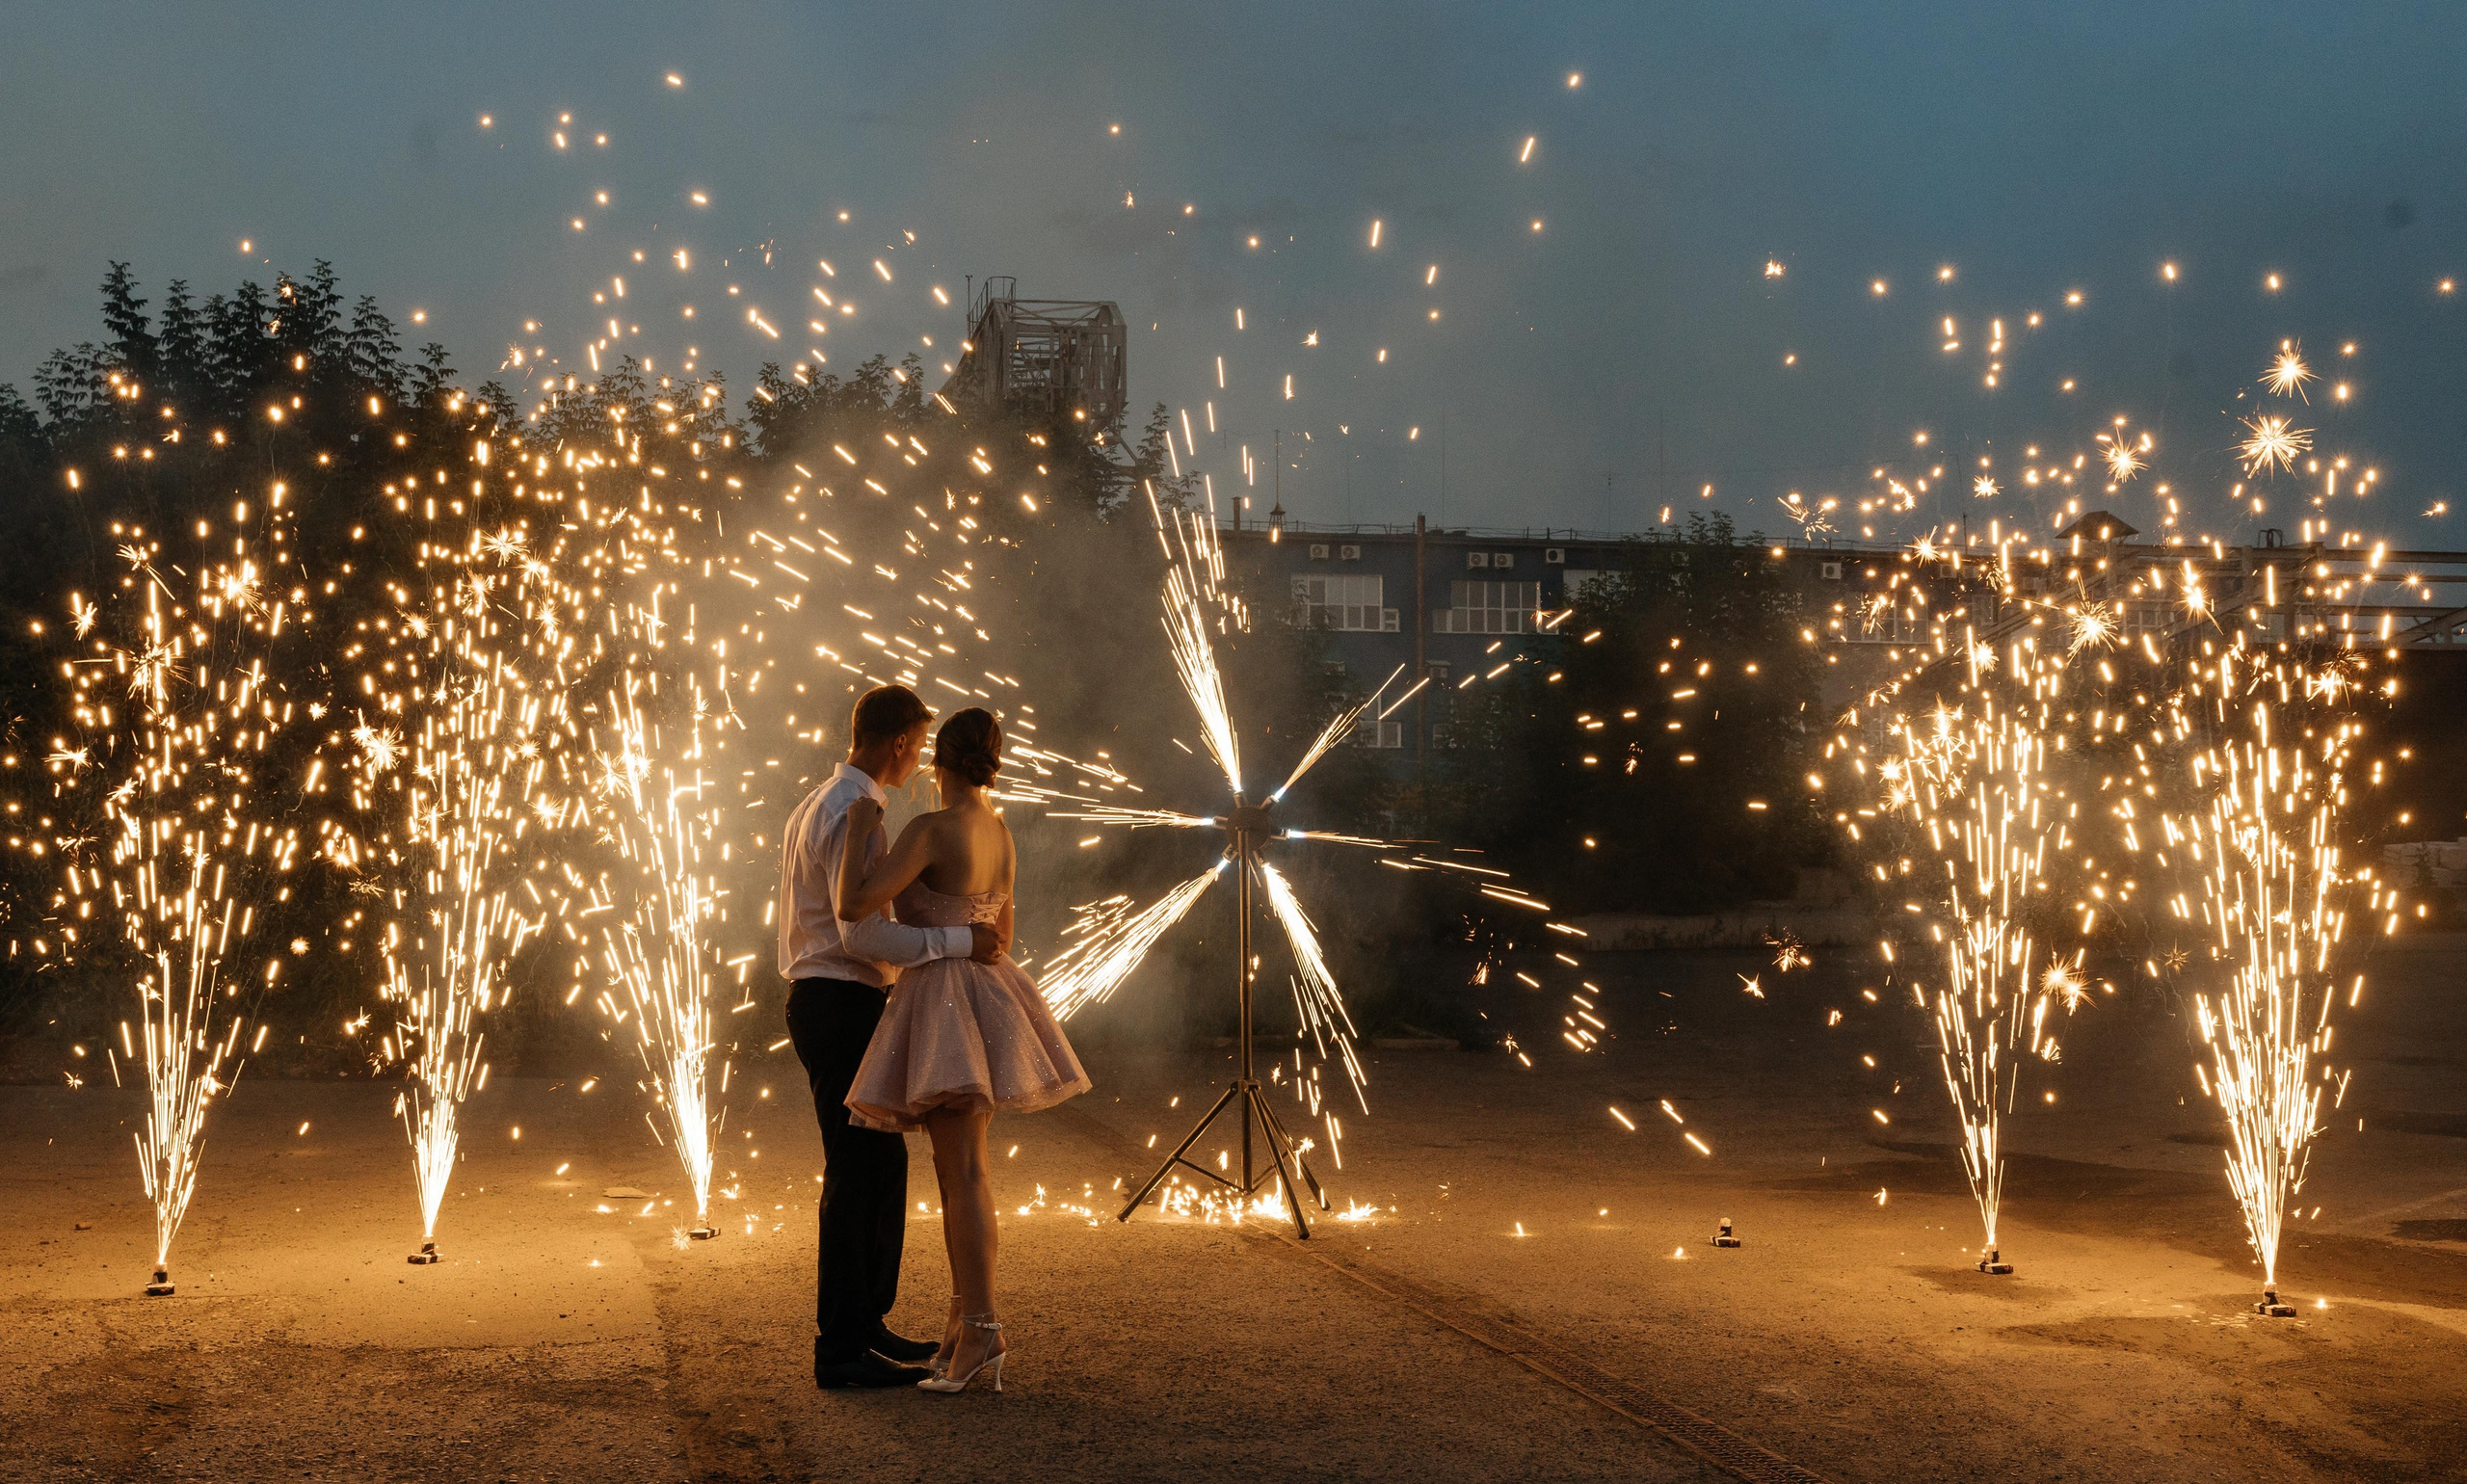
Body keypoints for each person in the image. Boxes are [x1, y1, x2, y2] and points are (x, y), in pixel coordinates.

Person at [839, 706, 1091, 1394]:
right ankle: (962, 1323)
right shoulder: (1001, 833)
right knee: (967, 1174)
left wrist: (863, 828)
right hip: (988, 991)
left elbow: (857, 903)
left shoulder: (930, 829)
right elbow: (1002, 930)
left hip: (943, 1000)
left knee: (962, 1179)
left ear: (936, 763)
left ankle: (982, 1328)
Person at [781, 685, 1006, 1390]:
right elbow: (861, 929)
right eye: (914, 745)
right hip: (841, 996)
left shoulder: (824, 801)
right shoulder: (861, 816)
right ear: (902, 745)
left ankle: (866, 1320)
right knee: (858, 1171)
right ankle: (842, 1345)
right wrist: (956, 942)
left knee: (880, 1167)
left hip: (833, 996)